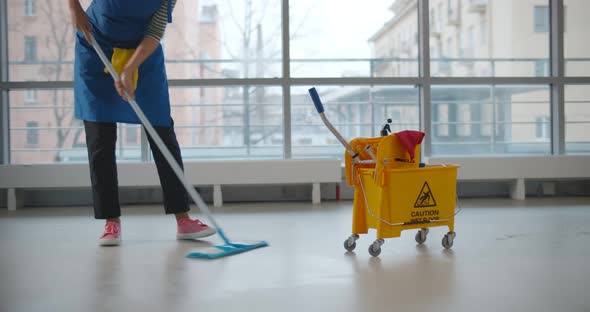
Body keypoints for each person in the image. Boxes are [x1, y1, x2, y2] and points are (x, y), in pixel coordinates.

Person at [69, 0, 215, 246]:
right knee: (100, 137)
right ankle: (111, 222)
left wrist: (129, 68)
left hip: (142, 53)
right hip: (96, 45)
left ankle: (184, 220)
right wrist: (74, 8)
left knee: (162, 132)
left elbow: (155, 31)